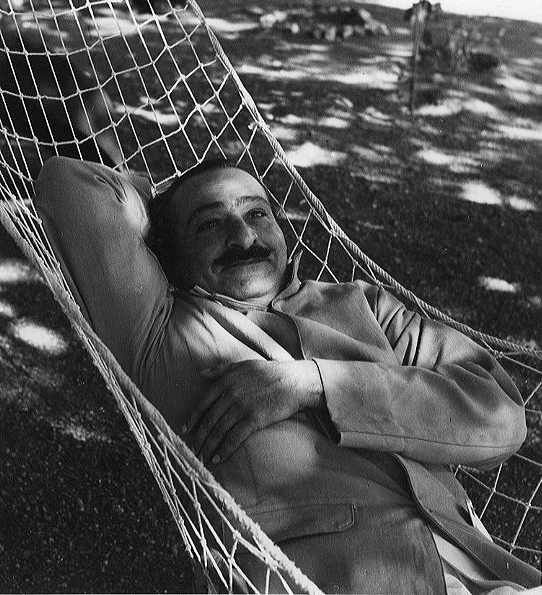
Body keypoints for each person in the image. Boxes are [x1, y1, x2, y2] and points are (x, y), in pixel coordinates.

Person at [35, 156, 540, 594]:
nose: (244, 236)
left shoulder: (362, 305)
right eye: (209, 226)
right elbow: (68, 185)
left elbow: (500, 417)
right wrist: (157, 204)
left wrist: (315, 384)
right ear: (169, 256)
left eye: (257, 213)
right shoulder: (160, 332)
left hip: (479, 568)